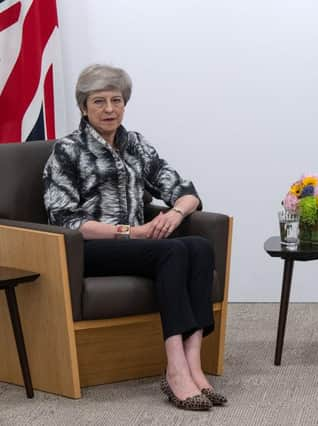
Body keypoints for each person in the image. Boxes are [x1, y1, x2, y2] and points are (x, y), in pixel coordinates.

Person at [43, 64, 227, 411]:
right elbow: (66, 219)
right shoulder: (67, 151)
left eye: (116, 100)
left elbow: (186, 191)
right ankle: (174, 370)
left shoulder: (135, 144)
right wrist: (133, 231)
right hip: (90, 249)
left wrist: (174, 213)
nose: (109, 109)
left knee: (199, 247)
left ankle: (194, 364)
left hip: (138, 245)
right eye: (99, 101)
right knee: (171, 252)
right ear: (83, 107)